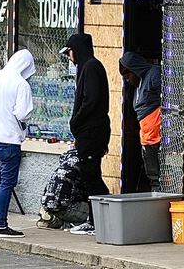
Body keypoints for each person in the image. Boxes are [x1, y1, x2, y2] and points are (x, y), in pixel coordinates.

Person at [0, 49, 36, 239]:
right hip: (9, 140)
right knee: (7, 183)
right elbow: (23, 113)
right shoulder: (20, 84)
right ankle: (1, 225)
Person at [60, 33, 109, 236]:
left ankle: (99, 218)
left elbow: (90, 101)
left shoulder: (90, 67)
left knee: (92, 176)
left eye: (70, 52)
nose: (69, 57)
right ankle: (95, 218)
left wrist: (75, 121)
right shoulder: (87, 67)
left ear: (77, 49)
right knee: (90, 175)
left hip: (91, 131)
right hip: (89, 131)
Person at [118, 52, 162, 191]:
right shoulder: (139, 83)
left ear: (135, 70)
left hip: (157, 136)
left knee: (156, 177)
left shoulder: (154, 74)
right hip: (148, 137)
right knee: (151, 174)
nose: (128, 80)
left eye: (128, 76)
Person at [37, 148, 89, 230]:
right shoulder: (86, 163)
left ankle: (50, 217)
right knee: (94, 214)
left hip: (47, 203)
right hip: (65, 207)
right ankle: (62, 223)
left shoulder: (66, 161)